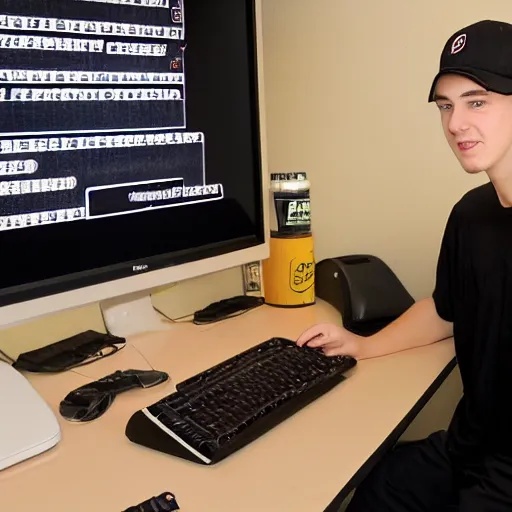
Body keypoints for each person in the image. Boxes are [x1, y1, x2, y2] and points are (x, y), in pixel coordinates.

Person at [296, 19, 512, 512]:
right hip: (468, 447)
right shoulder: (471, 215)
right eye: (445, 106)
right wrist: (364, 345)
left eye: (477, 101)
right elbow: (445, 307)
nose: (455, 123)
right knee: (376, 489)